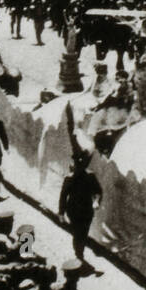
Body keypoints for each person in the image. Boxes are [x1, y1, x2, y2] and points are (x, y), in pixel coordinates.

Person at [59, 111, 101, 269]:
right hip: (74, 211)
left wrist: (96, 201)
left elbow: (98, 191)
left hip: (87, 210)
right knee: (78, 233)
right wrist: (61, 213)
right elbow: (63, 196)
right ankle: (79, 254)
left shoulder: (90, 176)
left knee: (83, 232)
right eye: (78, 164)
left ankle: (79, 251)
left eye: (82, 164)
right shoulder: (70, 178)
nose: (79, 166)